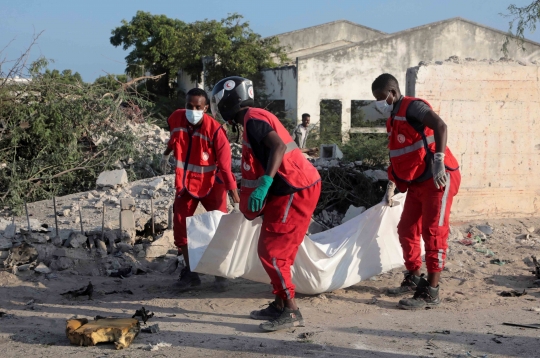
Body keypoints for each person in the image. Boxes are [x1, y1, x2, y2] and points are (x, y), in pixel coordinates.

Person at [210, 76, 321, 331]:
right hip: (292, 186)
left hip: (292, 188)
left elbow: (278, 147)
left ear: (229, 100)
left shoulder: (253, 119)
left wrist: (265, 183)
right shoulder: (253, 117)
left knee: (272, 251)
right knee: (277, 249)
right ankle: (280, 304)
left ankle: (291, 311)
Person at [371, 73, 461, 310]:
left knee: (433, 232)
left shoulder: (414, 108)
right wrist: (392, 184)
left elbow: (440, 126)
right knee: (406, 228)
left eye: (381, 97)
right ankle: (413, 277)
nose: (380, 102)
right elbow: (401, 156)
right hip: (419, 182)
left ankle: (431, 291)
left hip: (438, 177)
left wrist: (439, 160)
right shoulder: (394, 118)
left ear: (392, 92)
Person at [160, 87, 240, 291]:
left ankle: (220, 272)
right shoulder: (176, 118)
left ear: (205, 108)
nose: (192, 110)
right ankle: (191, 271)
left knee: (218, 226)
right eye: (189, 106)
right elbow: (175, 137)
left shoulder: (215, 130)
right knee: (180, 226)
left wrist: (235, 197)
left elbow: (225, 166)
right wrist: (166, 152)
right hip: (186, 183)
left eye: (198, 107)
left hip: (213, 184)